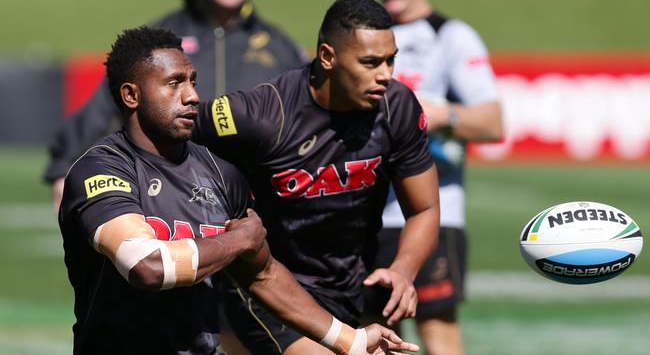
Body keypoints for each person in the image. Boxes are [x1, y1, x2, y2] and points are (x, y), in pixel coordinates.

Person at [59, 26, 419, 355]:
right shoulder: (102, 170)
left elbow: (262, 275)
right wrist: (236, 242)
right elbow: (148, 266)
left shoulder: (220, 173)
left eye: (193, 81)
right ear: (131, 95)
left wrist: (352, 341)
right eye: (174, 83)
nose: (192, 96)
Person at [191, 0, 440, 354]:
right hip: (268, 287)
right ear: (327, 57)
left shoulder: (396, 107)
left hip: (353, 287)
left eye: (390, 60)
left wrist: (403, 270)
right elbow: (170, 130)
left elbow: (424, 209)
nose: (386, 75)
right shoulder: (263, 113)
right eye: (371, 63)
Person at [45, 0, 306, 212]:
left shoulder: (279, 47)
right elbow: (108, 100)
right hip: (172, 191)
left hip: (255, 196)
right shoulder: (164, 37)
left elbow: (306, 117)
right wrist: (65, 165)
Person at [366, 0, 505, 354]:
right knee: (371, 335)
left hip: (434, 214)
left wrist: (441, 115)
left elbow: (493, 122)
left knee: (437, 332)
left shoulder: (450, 35)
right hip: (365, 214)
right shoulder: (363, 34)